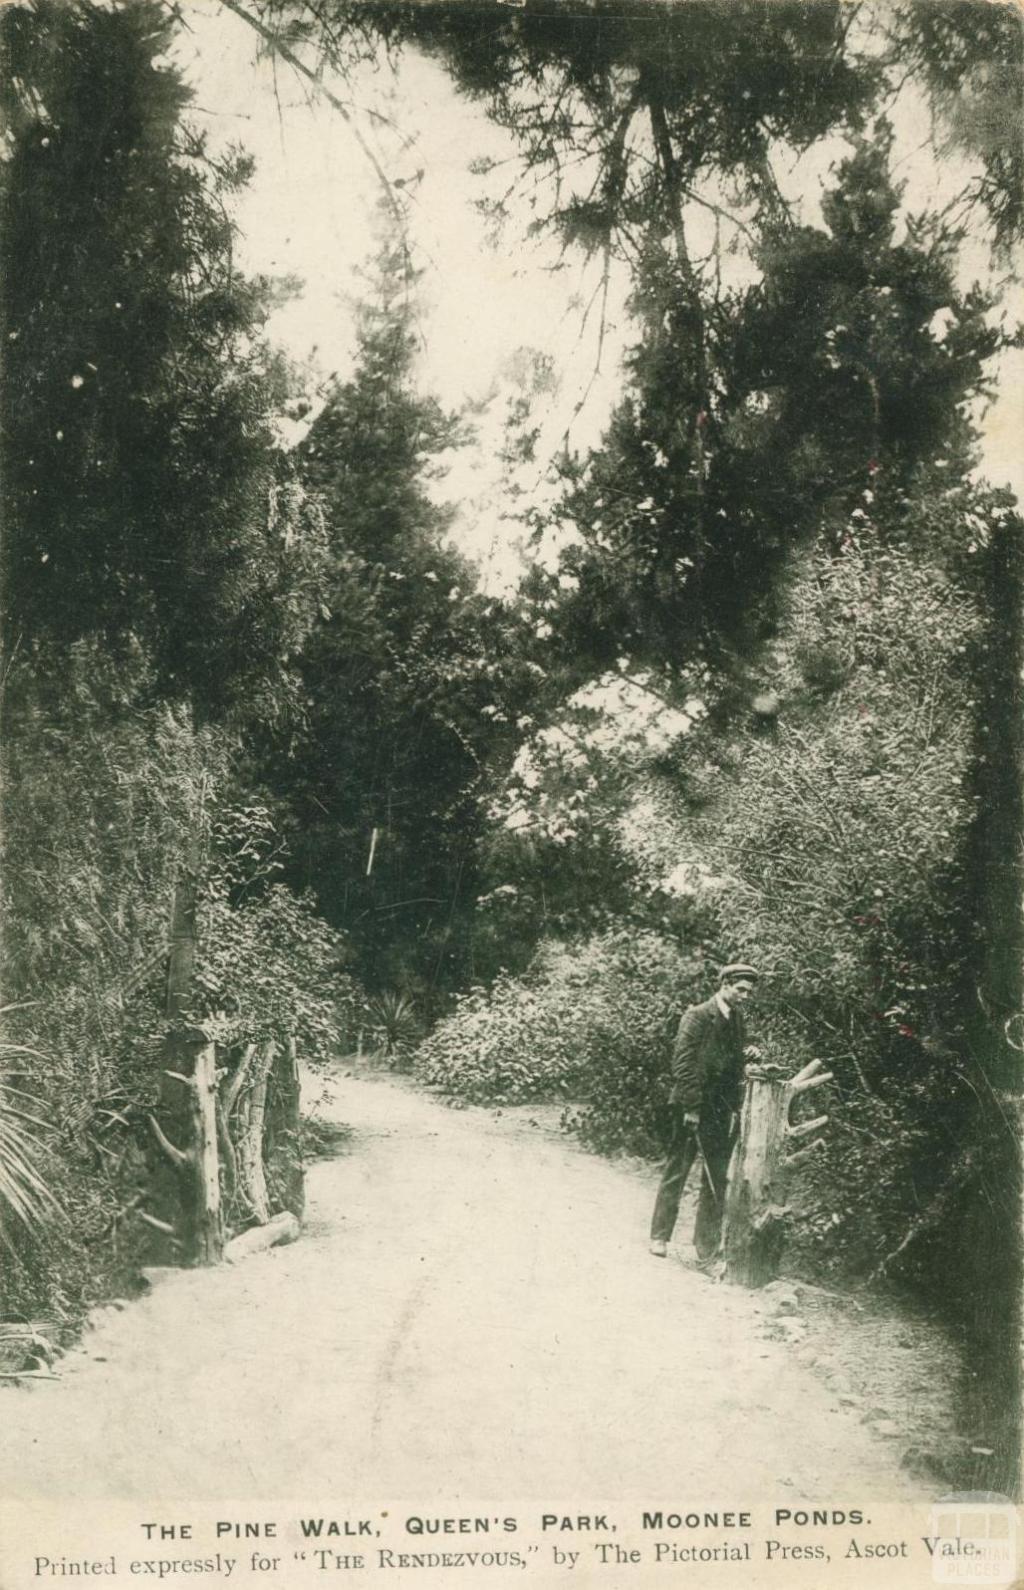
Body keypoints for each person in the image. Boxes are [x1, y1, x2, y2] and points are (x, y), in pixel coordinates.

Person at [649, 962, 760, 1261]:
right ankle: (659, 1237)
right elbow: (683, 1064)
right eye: (740, 990)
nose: (745, 996)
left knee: (715, 1176)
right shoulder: (697, 1015)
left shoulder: (736, 1020)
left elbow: (730, 1064)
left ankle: (705, 1246)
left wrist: (747, 1054)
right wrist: (692, 1108)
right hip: (691, 1106)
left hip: (719, 1111)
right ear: (725, 985)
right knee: (677, 1170)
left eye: (749, 992)